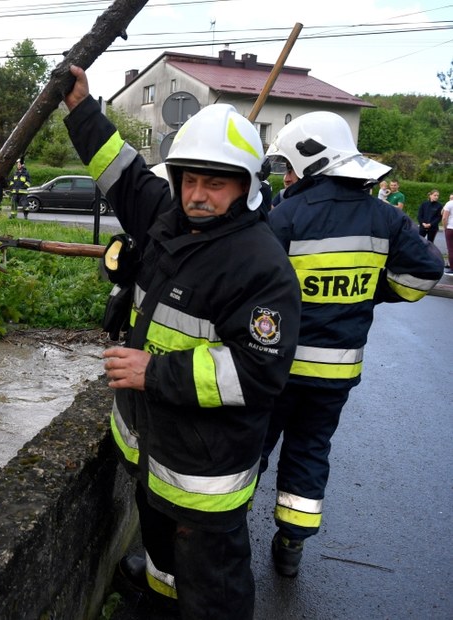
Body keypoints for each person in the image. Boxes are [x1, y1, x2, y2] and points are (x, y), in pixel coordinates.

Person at [63, 65, 301, 619]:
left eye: (214, 183)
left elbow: (258, 373)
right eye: (189, 179)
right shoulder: (167, 217)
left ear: (245, 186)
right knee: (164, 567)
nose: (197, 194)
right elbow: (120, 171)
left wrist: (154, 372)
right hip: (153, 456)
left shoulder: (261, 267)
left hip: (204, 477)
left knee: (213, 594)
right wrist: (81, 108)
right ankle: (158, 604)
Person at [262, 111, 445, 578]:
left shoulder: (286, 215)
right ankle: (291, 546)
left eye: (290, 166)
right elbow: (425, 273)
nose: (286, 176)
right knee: (310, 451)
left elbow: (254, 286)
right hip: (337, 373)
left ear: (311, 160)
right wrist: (372, 291)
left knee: (253, 448)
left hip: (278, 369)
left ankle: (219, 534)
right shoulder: (386, 217)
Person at [444, 193, 453, 273]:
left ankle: (452, 268)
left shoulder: (449, 203)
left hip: (450, 228)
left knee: (451, 249)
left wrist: (445, 227)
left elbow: (444, 217)